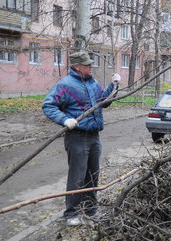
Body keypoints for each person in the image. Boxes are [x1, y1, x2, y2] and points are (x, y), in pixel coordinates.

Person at [42, 50, 121, 226]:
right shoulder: (65, 85)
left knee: (93, 175)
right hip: (76, 137)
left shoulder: (92, 83)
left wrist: (114, 85)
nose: (90, 66)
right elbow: (48, 106)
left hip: (94, 136)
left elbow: (104, 101)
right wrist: (64, 119)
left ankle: (91, 209)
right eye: (87, 64)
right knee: (77, 176)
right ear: (78, 67)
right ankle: (71, 213)